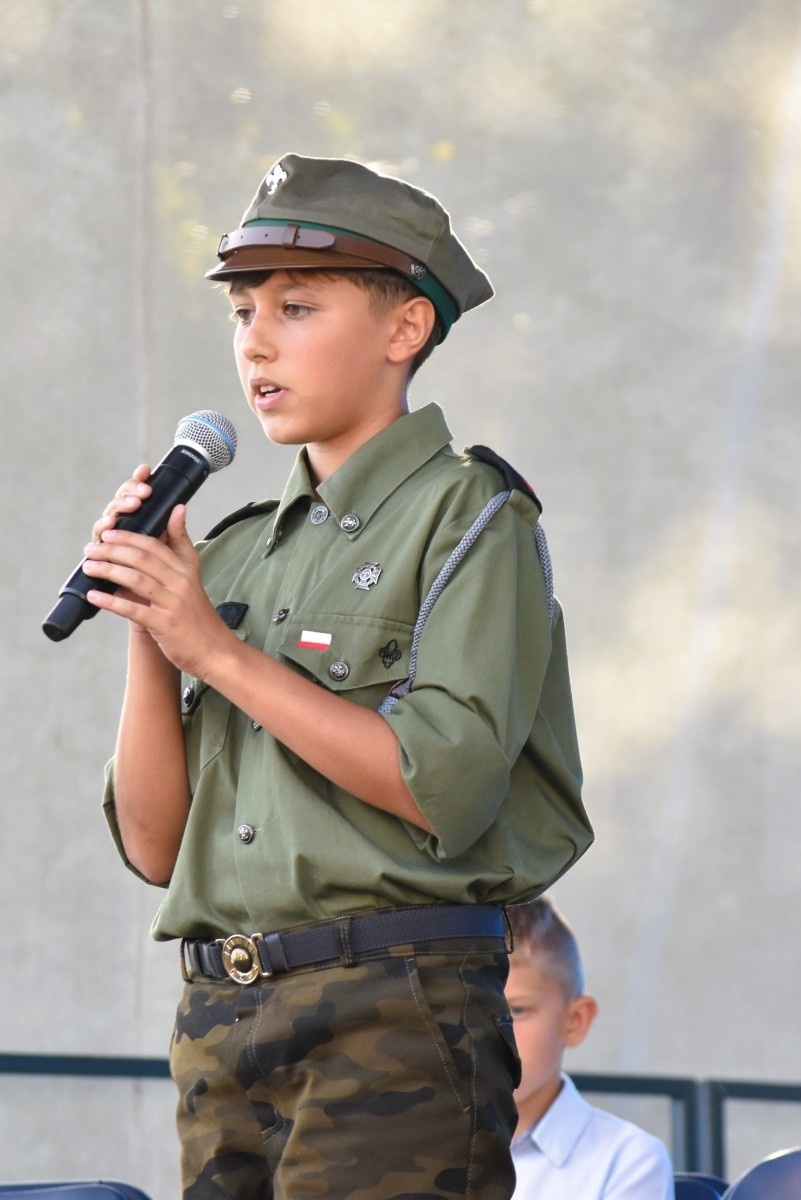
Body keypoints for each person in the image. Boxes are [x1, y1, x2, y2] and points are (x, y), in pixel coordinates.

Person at [84, 152, 593, 1200]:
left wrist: (215, 651)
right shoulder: (231, 552)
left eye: (298, 306)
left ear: (405, 329)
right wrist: (152, 619)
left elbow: (440, 781)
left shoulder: (471, 518)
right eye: (242, 312)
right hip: (223, 1015)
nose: (256, 342)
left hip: (392, 1009)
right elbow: (153, 845)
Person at [505, 897, 674, 1198]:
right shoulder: (415, 1146)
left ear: (575, 1021)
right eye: (469, 1012)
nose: (490, 1034)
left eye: (517, 1011)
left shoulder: (627, 1162)